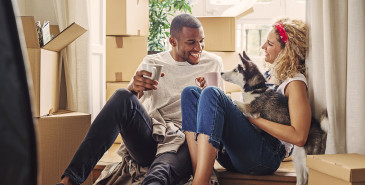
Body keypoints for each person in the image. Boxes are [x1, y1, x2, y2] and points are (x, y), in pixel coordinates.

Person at [57, 13, 224, 185]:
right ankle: (69, 180)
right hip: (152, 136)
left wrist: (207, 93)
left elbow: (217, 113)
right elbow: (130, 104)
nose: (199, 48)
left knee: (159, 172)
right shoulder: (152, 62)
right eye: (191, 42)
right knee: (122, 95)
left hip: (186, 140)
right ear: (173, 41)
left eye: (201, 40)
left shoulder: (213, 63)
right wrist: (134, 89)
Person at [181, 18, 310, 185]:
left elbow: (299, 136)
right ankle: (201, 174)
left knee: (213, 94)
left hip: (264, 155)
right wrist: (210, 98)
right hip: (235, 154)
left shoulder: (295, 82)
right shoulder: (269, 75)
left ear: (287, 50)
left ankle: (199, 182)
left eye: (270, 44)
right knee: (190, 93)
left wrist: (252, 118)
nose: (263, 47)